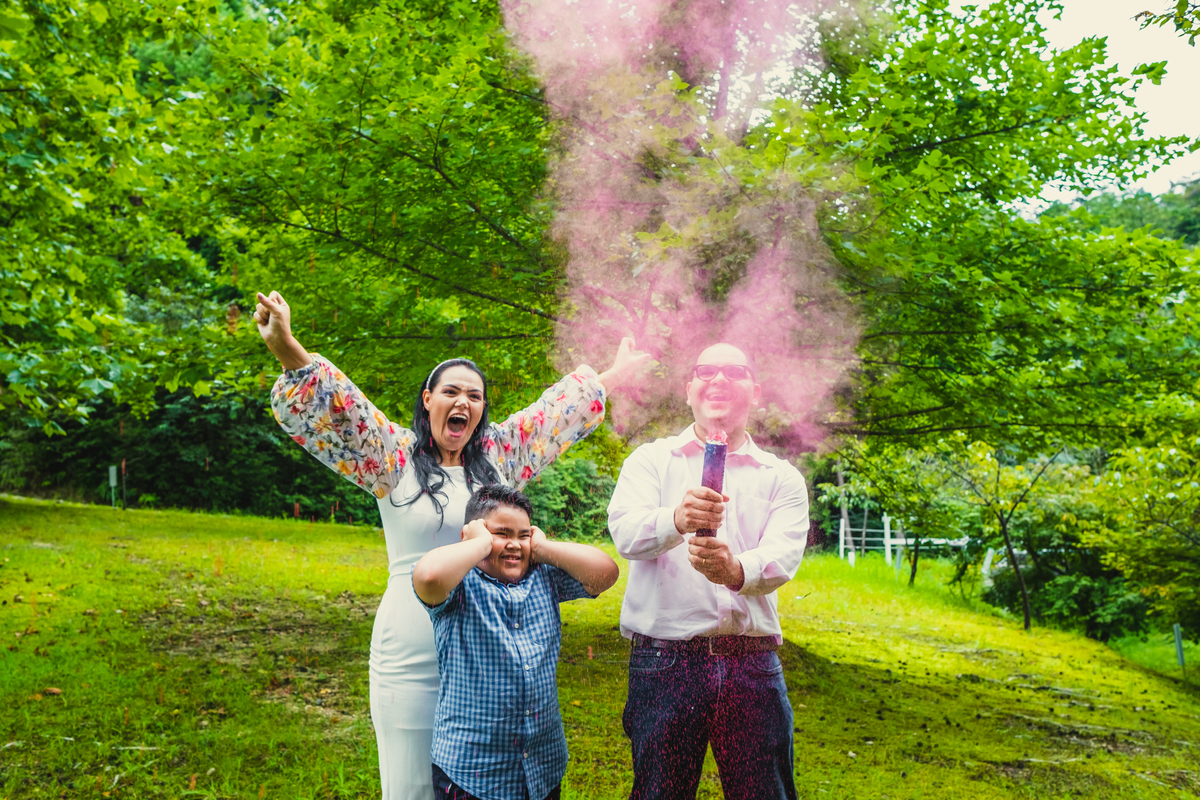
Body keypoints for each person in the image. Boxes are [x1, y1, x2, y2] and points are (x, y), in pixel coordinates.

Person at [253, 290, 648, 800]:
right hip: (412, 649)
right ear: (428, 400)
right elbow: (341, 408)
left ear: (482, 409)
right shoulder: (391, 455)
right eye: (450, 392)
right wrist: (286, 345)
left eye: (475, 395)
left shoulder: (503, 457)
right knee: (414, 786)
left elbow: (554, 415)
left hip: (489, 654)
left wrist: (612, 375)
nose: (463, 402)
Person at [607, 343, 809, 800]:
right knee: (661, 793)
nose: (719, 379)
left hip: (751, 665)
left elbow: (784, 554)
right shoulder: (650, 461)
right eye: (706, 370)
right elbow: (625, 533)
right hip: (665, 664)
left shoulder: (781, 477)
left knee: (765, 793)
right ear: (688, 390)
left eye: (734, 371)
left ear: (755, 392)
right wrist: (676, 519)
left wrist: (736, 569)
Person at [412, 485, 619, 800]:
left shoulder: (544, 577)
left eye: (523, 535)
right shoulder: (460, 585)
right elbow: (428, 576)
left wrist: (544, 549)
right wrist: (481, 543)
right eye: (501, 533)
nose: (513, 544)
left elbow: (606, 573)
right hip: (474, 774)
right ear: (474, 534)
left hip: (541, 769)